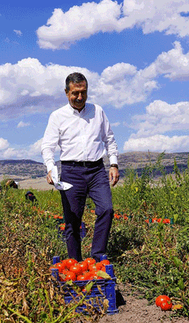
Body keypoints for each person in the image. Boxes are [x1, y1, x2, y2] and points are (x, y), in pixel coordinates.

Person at [41, 72, 119, 262]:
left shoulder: (97, 111)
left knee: (106, 210)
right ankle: (75, 264)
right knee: (72, 221)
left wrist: (114, 163)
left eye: (83, 92)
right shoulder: (58, 116)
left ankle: (97, 256)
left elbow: (109, 138)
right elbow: (47, 146)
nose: (79, 97)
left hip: (96, 170)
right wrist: (50, 167)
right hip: (71, 172)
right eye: (75, 93)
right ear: (67, 93)